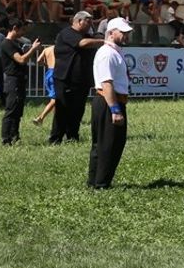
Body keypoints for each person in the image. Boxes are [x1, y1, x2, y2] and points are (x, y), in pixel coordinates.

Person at [88, 17, 134, 188]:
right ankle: (101, 183)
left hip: (111, 100)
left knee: (106, 143)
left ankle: (96, 181)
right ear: (111, 32)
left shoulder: (114, 51)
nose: (126, 35)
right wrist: (115, 109)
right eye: (123, 32)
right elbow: (106, 83)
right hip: (109, 101)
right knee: (109, 144)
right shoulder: (107, 53)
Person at [49, 11, 103, 145]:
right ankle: (56, 138)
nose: (91, 24)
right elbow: (82, 43)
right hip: (65, 78)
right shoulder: (67, 33)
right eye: (88, 21)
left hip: (81, 80)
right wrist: (102, 41)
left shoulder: (87, 35)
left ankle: (72, 136)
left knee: (78, 110)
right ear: (79, 21)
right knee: (63, 109)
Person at [0, 18, 41, 146]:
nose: (23, 32)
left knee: (18, 110)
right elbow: (21, 60)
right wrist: (33, 49)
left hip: (20, 80)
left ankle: (15, 136)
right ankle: (6, 138)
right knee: (11, 109)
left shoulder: (15, 43)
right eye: (22, 29)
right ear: (15, 28)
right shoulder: (7, 44)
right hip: (13, 80)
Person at [32, 44, 57, 127]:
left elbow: (38, 60)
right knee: (54, 99)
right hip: (57, 73)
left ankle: (56, 119)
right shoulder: (60, 49)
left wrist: (46, 64)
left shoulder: (47, 49)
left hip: (48, 73)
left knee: (55, 98)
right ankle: (40, 118)